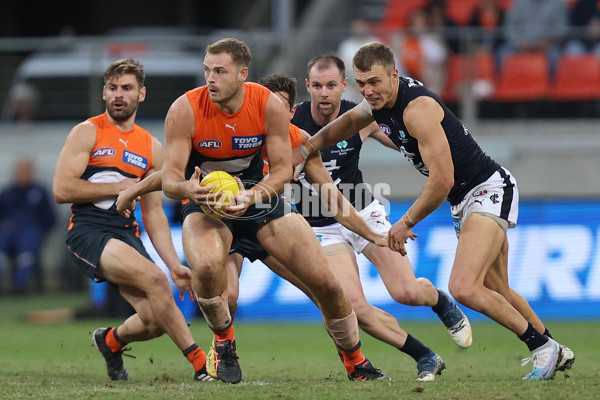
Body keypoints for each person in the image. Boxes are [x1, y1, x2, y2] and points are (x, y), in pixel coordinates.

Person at [293, 42, 575, 381]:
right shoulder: (377, 104)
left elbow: (443, 180)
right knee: (497, 286)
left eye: (375, 82)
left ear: (394, 76)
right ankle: (554, 347)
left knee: (464, 287)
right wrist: (308, 147)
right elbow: (344, 124)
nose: (367, 90)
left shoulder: (417, 109)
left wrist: (405, 222)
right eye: (362, 83)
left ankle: (541, 347)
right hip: (467, 197)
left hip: (485, 189)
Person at [160, 38, 388, 384]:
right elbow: (170, 179)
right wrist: (188, 189)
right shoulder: (185, 109)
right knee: (205, 269)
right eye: (207, 70)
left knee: (327, 284)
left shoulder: (267, 105)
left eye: (219, 71)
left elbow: (283, 170)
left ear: (242, 74)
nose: (210, 79)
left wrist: (251, 197)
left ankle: (356, 363)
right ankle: (224, 344)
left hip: (258, 198)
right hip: (206, 202)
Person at [290, 55, 472, 381]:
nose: (324, 93)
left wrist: (440, 145)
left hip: (364, 213)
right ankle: (425, 356)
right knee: (353, 308)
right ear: (308, 87)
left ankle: (439, 301)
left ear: (344, 85)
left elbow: (405, 140)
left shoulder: (360, 116)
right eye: (317, 86)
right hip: (321, 227)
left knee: (407, 292)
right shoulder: (293, 121)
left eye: (331, 85)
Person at [52, 58, 214, 382]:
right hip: (88, 230)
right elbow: (60, 189)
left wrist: (173, 264)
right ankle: (201, 365)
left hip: (125, 234)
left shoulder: (151, 148)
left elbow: (154, 213)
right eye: (112, 88)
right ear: (103, 92)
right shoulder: (87, 132)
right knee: (155, 283)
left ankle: (110, 342)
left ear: (141, 94)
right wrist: (120, 186)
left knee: (155, 318)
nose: (118, 94)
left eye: (126, 88)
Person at [0, 157, 55, 294]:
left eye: (26, 171)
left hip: (30, 231)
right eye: (20, 171)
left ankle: (19, 285)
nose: (23, 174)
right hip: (8, 231)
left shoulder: (40, 192)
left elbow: (50, 218)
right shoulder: (7, 193)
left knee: (27, 250)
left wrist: (41, 230)